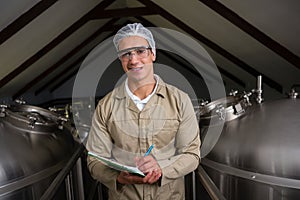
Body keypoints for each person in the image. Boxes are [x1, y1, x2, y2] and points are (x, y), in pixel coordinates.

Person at [86, 23, 201, 199]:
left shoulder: (180, 100)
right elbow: (94, 160)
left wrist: (162, 168)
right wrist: (117, 177)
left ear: (153, 53)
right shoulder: (105, 106)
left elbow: (192, 154)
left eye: (141, 51)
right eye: (126, 54)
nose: (133, 60)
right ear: (121, 60)